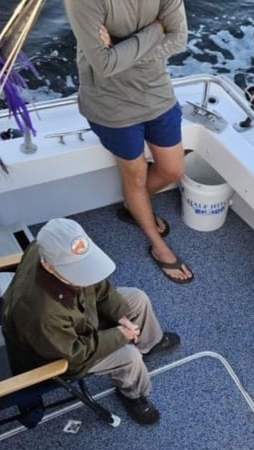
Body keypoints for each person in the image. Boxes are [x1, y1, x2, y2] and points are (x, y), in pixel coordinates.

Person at [63, 0, 193, 285]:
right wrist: (156, 28)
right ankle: (159, 247)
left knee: (173, 170)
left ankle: (134, 207)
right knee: (135, 175)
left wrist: (124, 50)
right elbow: (104, 64)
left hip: (157, 92)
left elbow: (179, 39)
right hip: (111, 105)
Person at [0, 218, 179, 425]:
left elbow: (96, 284)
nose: (85, 273)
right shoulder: (40, 313)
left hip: (75, 316)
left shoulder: (45, 248)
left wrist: (120, 314)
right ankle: (133, 394)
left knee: (137, 298)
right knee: (129, 355)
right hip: (58, 352)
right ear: (49, 267)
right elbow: (74, 355)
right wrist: (119, 336)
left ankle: (151, 342)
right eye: (78, 270)